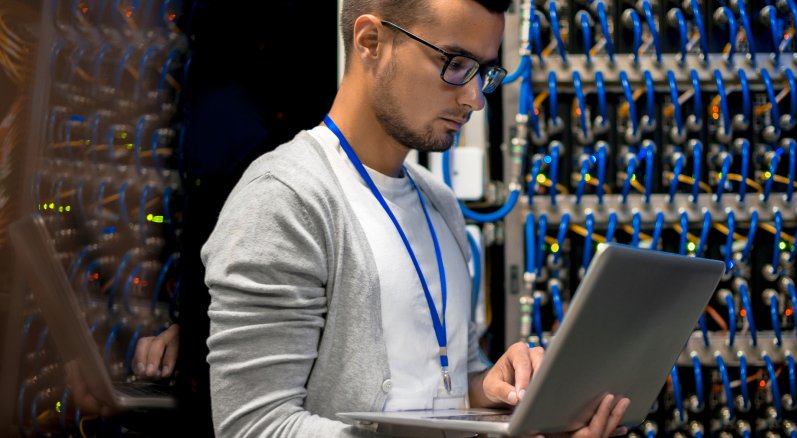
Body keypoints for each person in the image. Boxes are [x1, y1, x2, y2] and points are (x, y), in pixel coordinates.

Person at [202, 0, 631, 436]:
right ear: (371, 41)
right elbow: (254, 425)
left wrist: (493, 392)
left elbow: (442, 388)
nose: (474, 98)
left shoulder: (438, 202)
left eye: (483, 71)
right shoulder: (286, 199)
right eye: (456, 63)